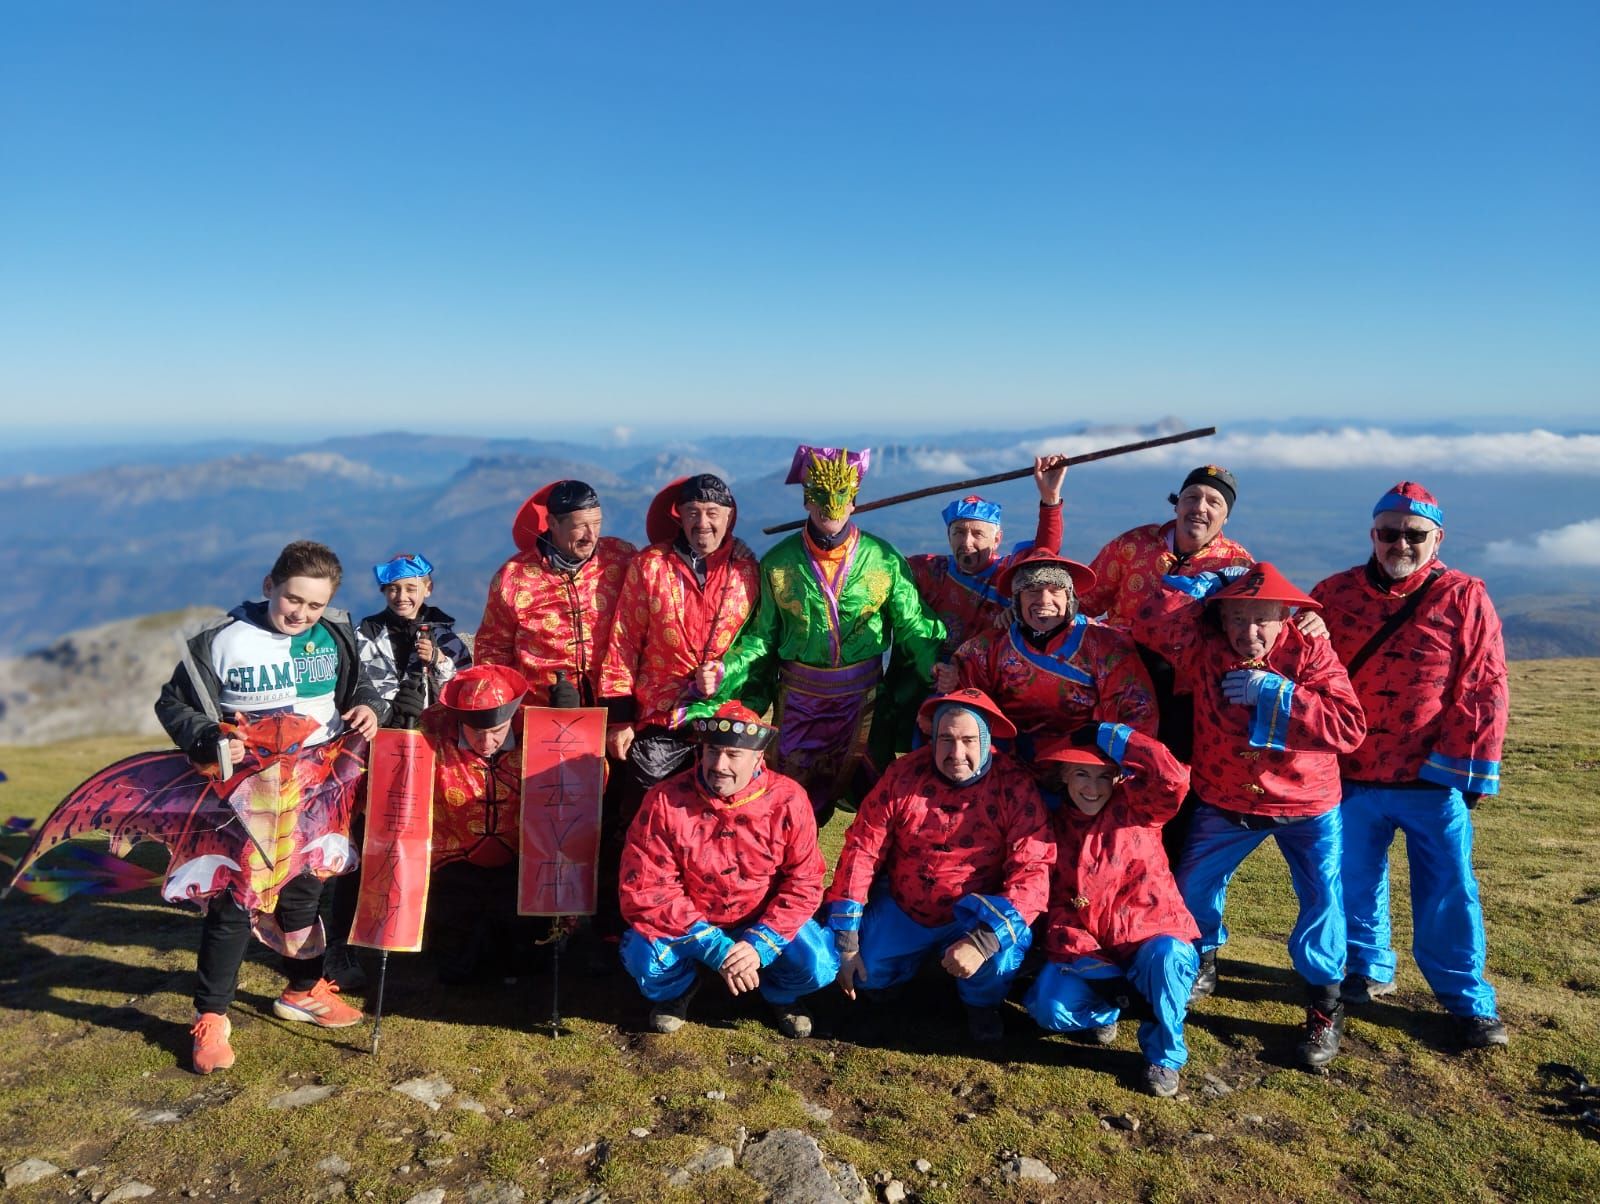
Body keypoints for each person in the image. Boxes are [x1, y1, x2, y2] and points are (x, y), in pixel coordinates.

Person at [154, 540, 382, 1074]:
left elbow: (358, 686)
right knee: (236, 905)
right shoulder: (219, 641)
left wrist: (367, 705)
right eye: (292, 600)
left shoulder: (336, 635)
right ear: (268, 587)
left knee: (305, 897)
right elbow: (173, 703)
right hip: (244, 798)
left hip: (317, 791)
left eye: (315, 605)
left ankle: (302, 990)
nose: (302, 614)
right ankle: (211, 1016)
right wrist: (208, 736)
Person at [1133, 562, 1366, 1069]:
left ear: (1286, 616)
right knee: (1193, 887)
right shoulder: (1205, 643)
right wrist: (1203, 586)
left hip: (1306, 804)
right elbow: (1148, 620)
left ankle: (1325, 1006)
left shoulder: (1308, 648)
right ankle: (1202, 962)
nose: (1249, 632)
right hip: (1226, 796)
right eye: (1237, 618)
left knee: (1322, 899)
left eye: (1262, 619)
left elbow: (1348, 727)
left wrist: (1275, 693)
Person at [1310, 482, 1510, 1048]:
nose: (1401, 543)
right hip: (1350, 772)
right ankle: (1365, 967)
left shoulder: (1465, 595)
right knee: (1352, 879)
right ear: (1372, 535)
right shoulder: (1332, 594)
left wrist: (1462, 771)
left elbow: (1484, 685)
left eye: (1414, 534)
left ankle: (1467, 999)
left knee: (1449, 888)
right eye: (1389, 533)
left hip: (1432, 778)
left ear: (1437, 537)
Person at [690, 446, 945, 821]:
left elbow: (914, 625)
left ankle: (880, 879)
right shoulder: (779, 562)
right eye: (821, 498)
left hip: (864, 702)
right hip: (799, 704)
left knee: (883, 805)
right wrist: (725, 670)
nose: (831, 508)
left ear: (854, 502)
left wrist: (939, 665)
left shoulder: (884, 559)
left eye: (841, 498)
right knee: (788, 806)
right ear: (807, 501)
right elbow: (761, 638)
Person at [826, 688, 1054, 1042]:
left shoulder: (1015, 785)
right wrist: (847, 938)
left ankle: (981, 1004)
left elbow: (1034, 871)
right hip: (907, 905)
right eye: (946, 739)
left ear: (986, 739)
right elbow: (862, 849)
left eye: (967, 740)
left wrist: (984, 939)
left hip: (975, 912)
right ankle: (894, 976)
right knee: (863, 973)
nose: (956, 753)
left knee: (999, 956)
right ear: (932, 738)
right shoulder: (903, 775)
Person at [618, 702, 838, 1038]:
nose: (719, 765)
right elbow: (646, 887)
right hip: (692, 925)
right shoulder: (665, 800)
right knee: (643, 959)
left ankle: (779, 993)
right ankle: (681, 988)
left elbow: (804, 882)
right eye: (712, 751)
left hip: (760, 919)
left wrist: (759, 945)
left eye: (733, 755)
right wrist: (715, 947)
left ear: (757, 758)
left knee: (818, 964)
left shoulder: (789, 800)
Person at [1024, 723, 1201, 1098]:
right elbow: (1055, 908)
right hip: (1096, 951)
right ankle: (1111, 1009)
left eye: (1104, 776)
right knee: (1047, 1009)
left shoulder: (1140, 807)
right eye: (1082, 775)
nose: (1093, 787)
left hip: (1152, 940)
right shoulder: (1051, 829)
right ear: (1064, 777)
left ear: (1119, 777)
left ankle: (1164, 1057)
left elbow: (1171, 776)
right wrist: (1104, 976)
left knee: (1167, 958)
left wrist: (1113, 734)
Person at [600, 474, 760, 794]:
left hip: (726, 714)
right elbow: (624, 642)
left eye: (713, 513)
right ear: (679, 516)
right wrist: (620, 720)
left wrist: (726, 672)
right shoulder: (650, 565)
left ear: (729, 518)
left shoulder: (747, 570)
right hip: (660, 715)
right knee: (648, 800)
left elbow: (758, 642)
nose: (702, 522)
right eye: (692, 512)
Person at [940, 549, 1158, 766]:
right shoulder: (989, 647)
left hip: (1088, 764)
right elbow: (962, 698)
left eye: (1055, 591)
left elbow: (1138, 711)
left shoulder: (1107, 646)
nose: (1044, 600)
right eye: (1032, 591)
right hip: (1008, 761)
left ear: (1070, 598)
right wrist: (946, 679)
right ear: (1017, 601)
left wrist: (1109, 752)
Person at [414, 663, 541, 984]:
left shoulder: (539, 740)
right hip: (454, 864)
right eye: (477, 733)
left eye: (497, 733)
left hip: (518, 866)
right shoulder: (434, 741)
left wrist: (569, 723)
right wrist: (400, 727)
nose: (487, 743)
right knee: (456, 965)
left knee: (521, 955)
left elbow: (585, 786)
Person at [475, 479, 636, 708]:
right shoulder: (514, 578)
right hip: (539, 711)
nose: (591, 536)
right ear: (552, 523)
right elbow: (492, 651)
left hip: (617, 709)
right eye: (580, 526)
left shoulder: (620, 558)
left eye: (597, 523)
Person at [905, 455, 1069, 656]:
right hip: (933, 675)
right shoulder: (931, 569)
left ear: (997, 540)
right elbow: (884, 565)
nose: (967, 542)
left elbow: (1044, 554)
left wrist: (1050, 499)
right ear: (949, 537)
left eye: (978, 534)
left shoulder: (1009, 572)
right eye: (959, 532)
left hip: (987, 678)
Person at [358, 551, 473, 723]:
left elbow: (466, 689)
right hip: (379, 729)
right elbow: (355, 681)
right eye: (393, 589)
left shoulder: (445, 639)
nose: (401, 597)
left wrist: (440, 661)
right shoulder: (366, 635)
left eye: (411, 589)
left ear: (428, 589)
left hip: (431, 731)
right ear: (384, 591)